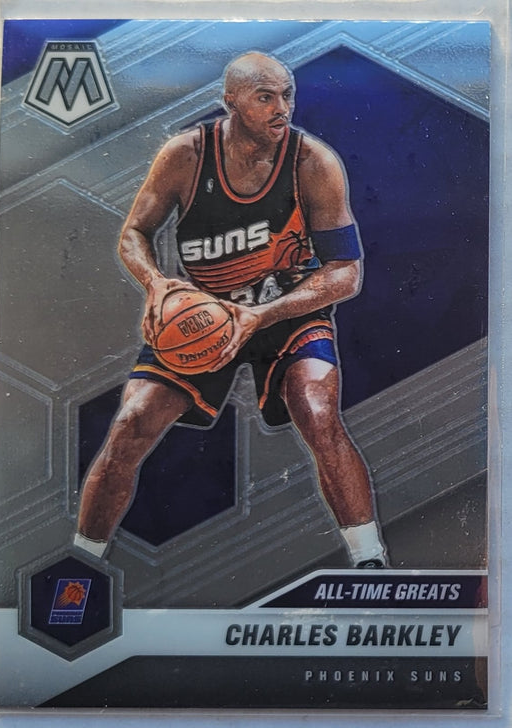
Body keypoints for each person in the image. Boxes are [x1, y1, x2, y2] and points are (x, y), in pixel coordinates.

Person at [74, 51, 388, 568]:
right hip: (208, 315)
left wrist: (262, 316)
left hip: (287, 312)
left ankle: (370, 559)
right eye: (265, 97)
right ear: (231, 103)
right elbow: (134, 234)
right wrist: (156, 284)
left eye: (287, 95)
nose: (281, 108)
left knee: (318, 413)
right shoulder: (185, 155)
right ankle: (81, 567)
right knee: (131, 421)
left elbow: (345, 274)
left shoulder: (313, 162)